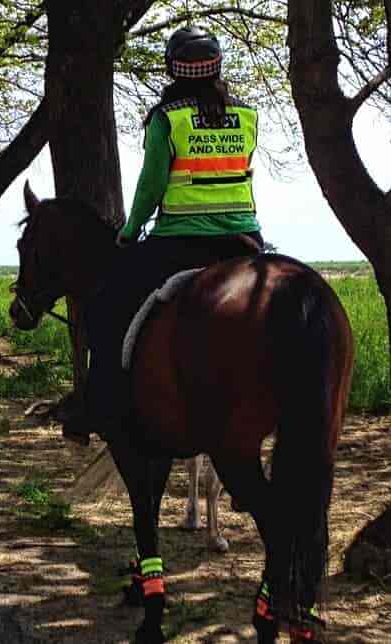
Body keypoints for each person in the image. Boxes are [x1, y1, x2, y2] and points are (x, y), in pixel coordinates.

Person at [62, 25, 265, 445]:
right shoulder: (248, 115)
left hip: (180, 241)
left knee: (104, 307)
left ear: (172, 70)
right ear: (218, 67)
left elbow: (152, 185)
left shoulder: (166, 118)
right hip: (245, 240)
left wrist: (130, 231)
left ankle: (97, 403)